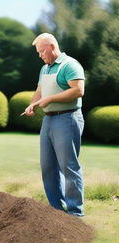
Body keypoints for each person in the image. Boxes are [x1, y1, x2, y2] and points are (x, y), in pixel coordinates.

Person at [25, 33, 85, 216]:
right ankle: (57, 210)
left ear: (51, 46)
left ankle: (75, 212)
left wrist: (49, 99)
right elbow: (40, 89)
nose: (40, 55)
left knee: (68, 166)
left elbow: (78, 90)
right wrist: (33, 104)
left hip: (68, 118)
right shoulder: (45, 69)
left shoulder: (70, 65)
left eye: (42, 51)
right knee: (48, 167)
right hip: (48, 119)